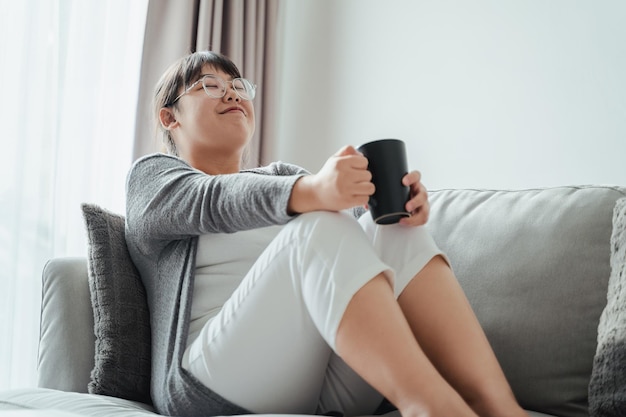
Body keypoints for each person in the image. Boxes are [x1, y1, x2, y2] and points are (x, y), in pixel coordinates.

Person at [125, 50, 528, 417]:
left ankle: (495, 404)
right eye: (210, 86)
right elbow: (213, 199)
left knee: (390, 226)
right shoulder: (153, 176)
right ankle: (432, 407)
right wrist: (315, 190)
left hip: (326, 376)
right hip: (213, 382)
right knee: (320, 224)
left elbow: (358, 239)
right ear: (170, 117)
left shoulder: (281, 176)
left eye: (238, 86)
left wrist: (404, 208)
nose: (231, 94)